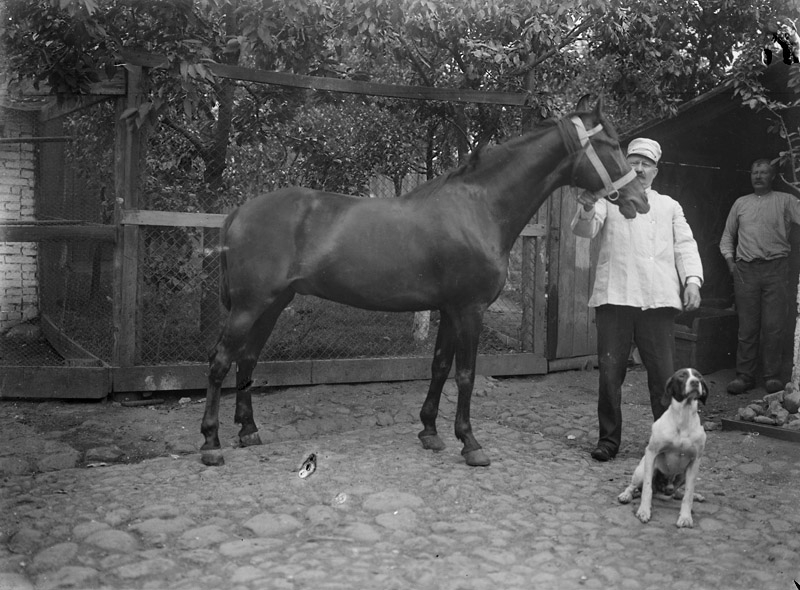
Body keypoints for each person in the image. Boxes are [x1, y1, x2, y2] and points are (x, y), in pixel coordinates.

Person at [571, 137, 703, 462]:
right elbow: (586, 229)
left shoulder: (669, 206)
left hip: (657, 302)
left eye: (646, 164)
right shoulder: (610, 200)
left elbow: (685, 245)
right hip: (615, 298)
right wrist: (587, 205)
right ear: (625, 167)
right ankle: (608, 440)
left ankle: (666, 442)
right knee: (609, 376)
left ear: (656, 170)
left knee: (663, 377)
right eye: (634, 163)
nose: (640, 169)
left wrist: (692, 281)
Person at [719, 158, 800, 395]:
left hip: (776, 269)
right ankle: (744, 376)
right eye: (755, 172)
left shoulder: (785, 200)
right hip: (746, 271)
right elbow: (727, 237)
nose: (758, 176)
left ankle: (772, 376)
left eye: (764, 172)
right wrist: (731, 264)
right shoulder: (741, 203)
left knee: (774, 326)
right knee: (747, 327)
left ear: (773, 176)